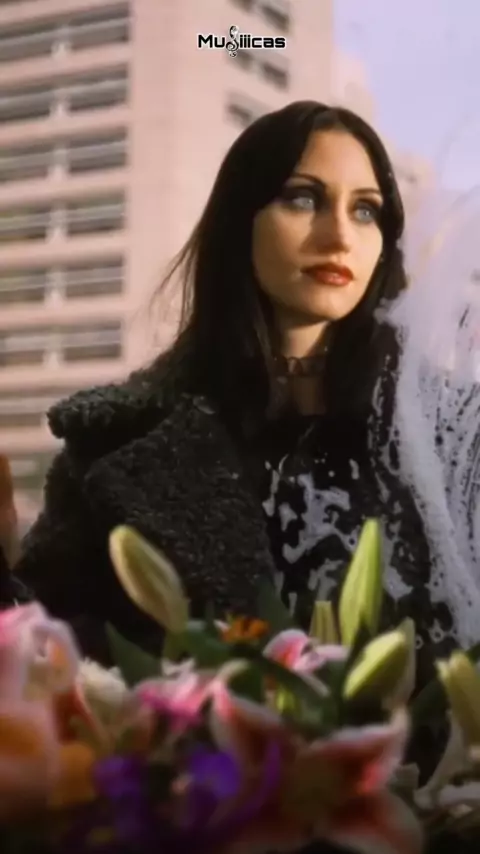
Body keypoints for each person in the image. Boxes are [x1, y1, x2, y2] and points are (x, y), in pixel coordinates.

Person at [14, 102, 458, 707]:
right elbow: (46, 661)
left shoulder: (450, 438)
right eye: (303, 198)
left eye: (365, 210)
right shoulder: (120, 443)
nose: (339, 236)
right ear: (239, 219)